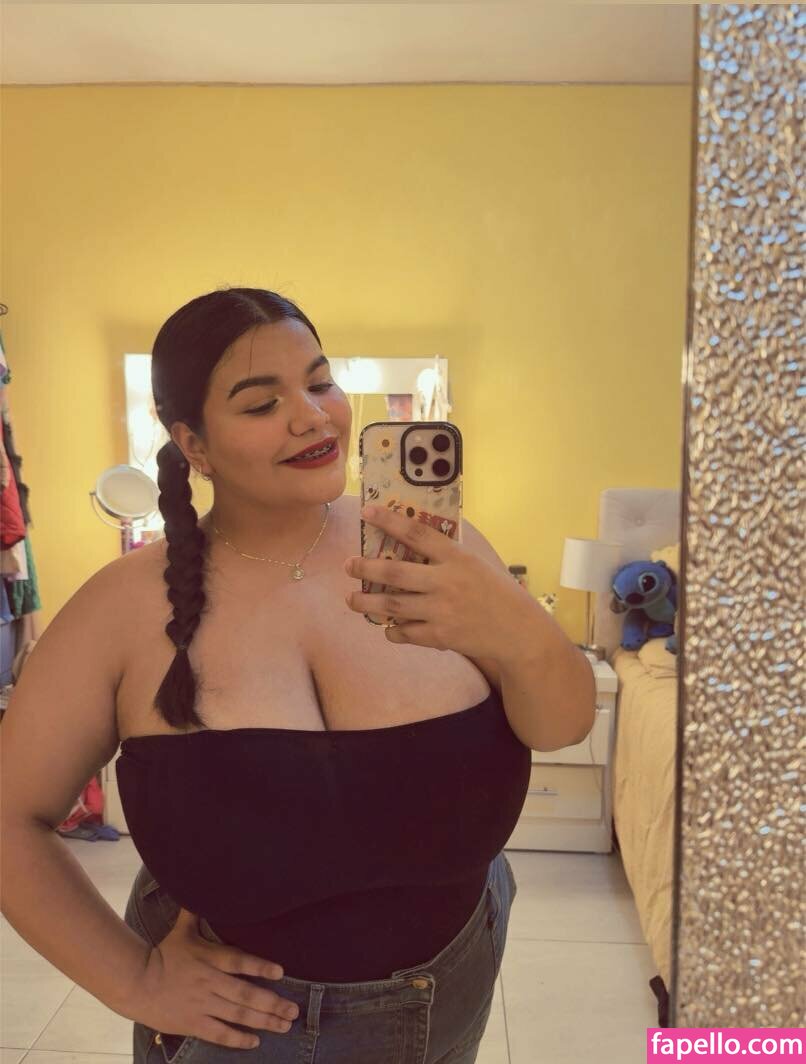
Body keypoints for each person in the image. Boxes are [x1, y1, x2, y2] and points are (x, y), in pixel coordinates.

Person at [1, 287, 595, 1064]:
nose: (313, 417)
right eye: (261, 403)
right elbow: (10, 818)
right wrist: (137, 981)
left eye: (320, 382)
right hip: (252, 1034)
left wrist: (518, 629)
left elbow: (560, 724)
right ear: (194, 443)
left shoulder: (430, 551)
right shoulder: (121, 608)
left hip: (459, 975)